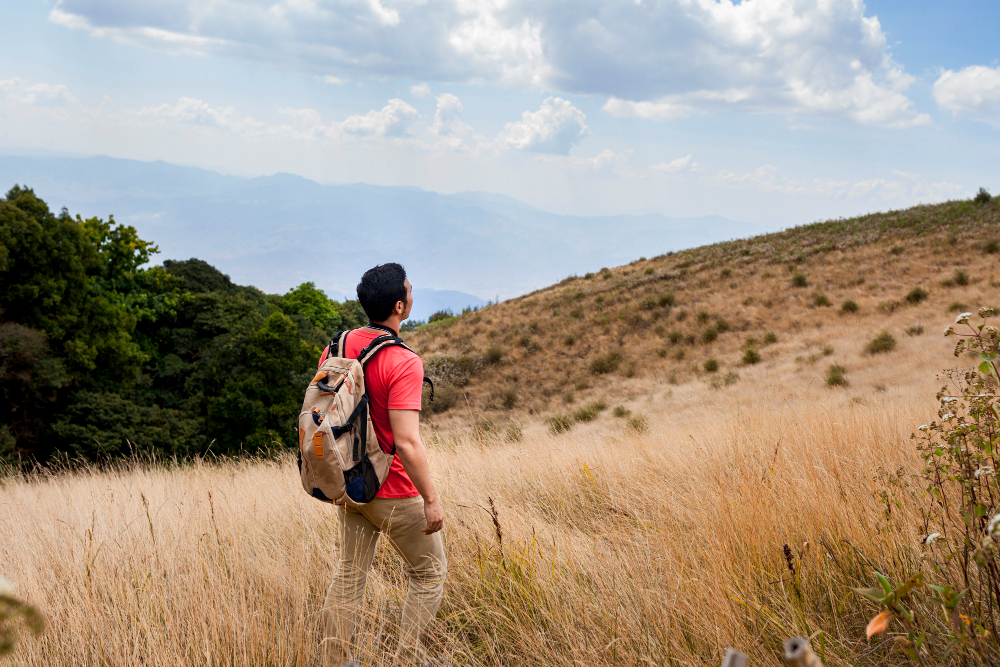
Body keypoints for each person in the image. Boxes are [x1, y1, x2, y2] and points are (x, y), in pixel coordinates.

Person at [320, 263, 446, 667]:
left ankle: (336, 661)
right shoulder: (404, 361)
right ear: (399, 306)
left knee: (350, 573)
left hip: (348, 483)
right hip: (391, 489)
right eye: (410, 291)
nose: (412, 295)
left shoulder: (336, 345)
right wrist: (431, 499)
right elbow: (407, 442)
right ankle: (406, 659)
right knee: (429, 575)